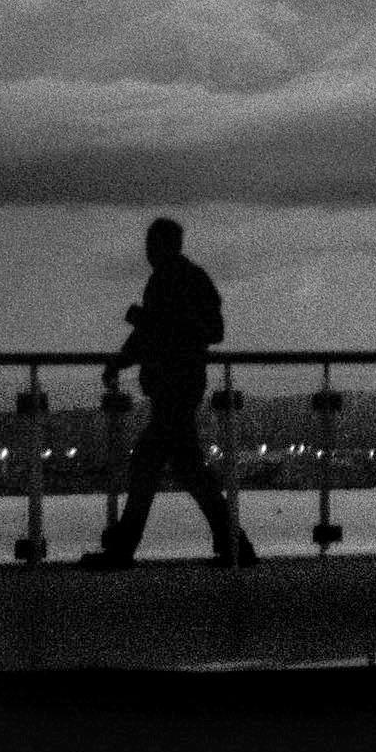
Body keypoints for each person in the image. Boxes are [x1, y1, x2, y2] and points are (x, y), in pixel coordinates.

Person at [87, 217, 257, 567]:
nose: (148, 252)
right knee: (186, 468)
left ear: (162, 246)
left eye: (151, 245)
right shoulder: (193, 279)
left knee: (151, 466)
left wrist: (127, 353)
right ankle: (233, 543)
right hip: (184, 384)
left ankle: (123, 549)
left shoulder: (168, 281)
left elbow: (163, 332)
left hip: (172, 387)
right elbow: (210, 330)